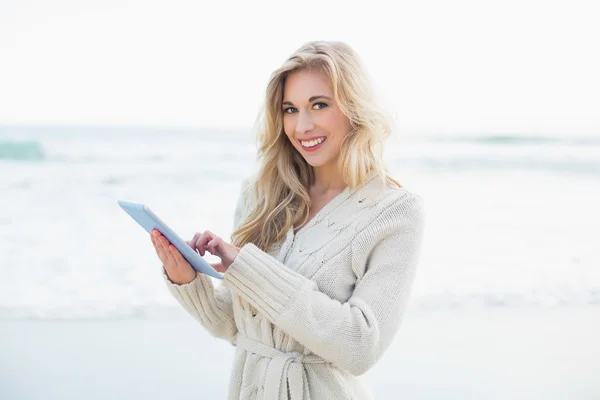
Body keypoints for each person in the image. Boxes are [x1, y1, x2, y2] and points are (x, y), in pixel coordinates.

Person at [150, 40, 425, 400]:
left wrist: (251, 269)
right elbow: (237, 326)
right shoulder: (260, 195)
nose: (302, 125)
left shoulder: (394, 211)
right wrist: (188, 280)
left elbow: (361, 346)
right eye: (290, 109)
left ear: (354, 108)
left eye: (319, 105)